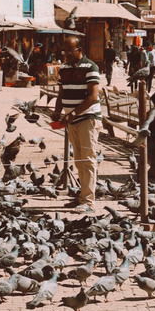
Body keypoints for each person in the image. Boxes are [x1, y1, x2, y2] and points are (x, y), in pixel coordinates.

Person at [52, 36, 102, 212]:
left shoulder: (90, 67)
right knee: (79, 160)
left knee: (87, 160)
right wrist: (58, 111)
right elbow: (61, 93)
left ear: (79, 49)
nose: (66, 55)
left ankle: (88, 202)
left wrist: (72, 114)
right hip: (71, 119)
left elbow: (93, 96)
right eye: (64, 52)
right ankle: (82, 196)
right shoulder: (64, 68)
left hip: (87, 118)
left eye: (69, 52)